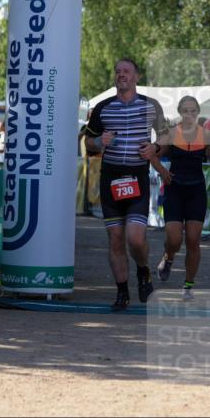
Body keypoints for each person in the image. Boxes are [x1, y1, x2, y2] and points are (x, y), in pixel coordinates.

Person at [83, 58, 168, 311]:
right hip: (111, 179)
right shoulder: (102, 108)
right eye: (118, 71)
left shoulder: (151, 106)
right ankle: (122, 292)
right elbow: (87, 141)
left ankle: (143, 271)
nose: (122, 75)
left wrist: (155, 148)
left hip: (137, 177)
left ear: (137, 77)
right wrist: (99, 143)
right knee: (116, 238)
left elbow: (166, 135)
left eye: (127, 71)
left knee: (135, 237)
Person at [142, 96, 210, 300]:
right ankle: (168, 256)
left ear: (197, 113)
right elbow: (152, 154)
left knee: (193, 240)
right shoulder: (171, 134)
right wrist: (163, 171)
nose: (189, 115)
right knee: (174, 239)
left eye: (193, 111)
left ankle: (188, 285)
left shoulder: (207, 136)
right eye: (185, 111)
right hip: (174, 190)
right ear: (181, 113)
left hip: (196, 191)